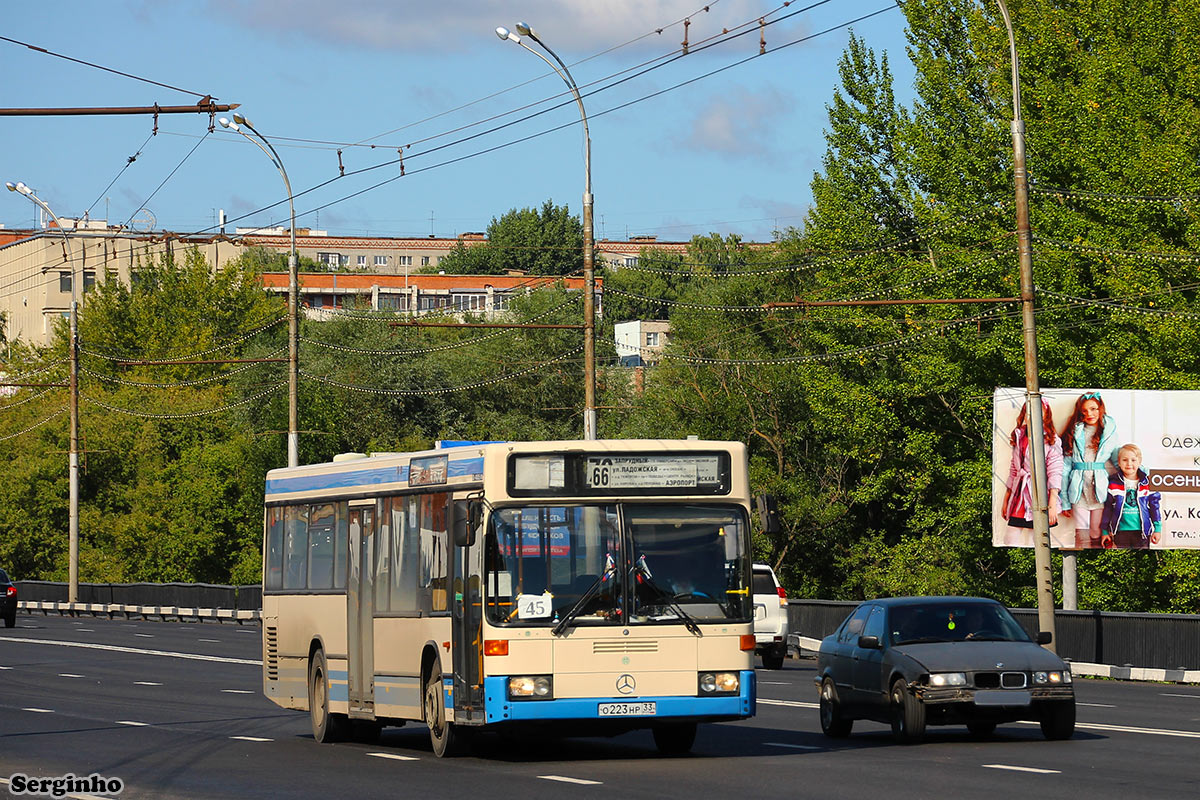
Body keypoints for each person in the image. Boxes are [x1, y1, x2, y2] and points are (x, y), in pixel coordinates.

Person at [999, 399, 1064, 547]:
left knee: (1039, 539)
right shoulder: (1020, 435)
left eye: (1037, 412)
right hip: (1020, 495)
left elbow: (1055, 471)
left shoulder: (1052, 440)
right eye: (1028, 412)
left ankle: (1040, 568)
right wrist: (1007, 498)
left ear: (1045, 414)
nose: (1032, 415)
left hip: (1040, 495)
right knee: (1010, 537)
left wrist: (1052, 503)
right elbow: (1014, 469)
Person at [1059, 392, 1120, 549]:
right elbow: (1065, 469)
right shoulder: (1074, 432)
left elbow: (1115, 458)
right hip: (1078, 488)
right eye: (1084, 411)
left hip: (1099, 488)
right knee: (1082, 531)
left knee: (1096, 530)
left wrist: (1135, 472)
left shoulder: (1108, 432)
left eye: (1093, 409)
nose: (1089, 414)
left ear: (1100, 409)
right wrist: (1064, 501)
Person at [1099, 443, 1162, 549]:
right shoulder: (1113, 482)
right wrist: (1105, 531)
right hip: (1120, 532)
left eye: (1133, 460)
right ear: (1118, 462)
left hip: (1142, 532)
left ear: (1139, 462)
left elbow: (1154, 506)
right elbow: (1108, 508)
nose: (1129, 463)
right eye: (1124, 460)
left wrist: (1157, 529)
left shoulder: (1148, 482)